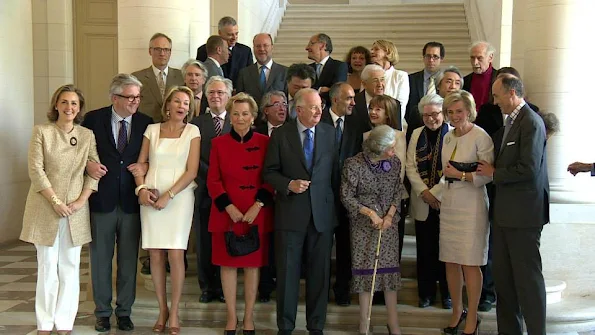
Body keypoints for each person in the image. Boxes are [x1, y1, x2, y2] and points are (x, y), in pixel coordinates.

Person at [20, 84, 99, 335]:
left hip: (75, 210)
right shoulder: (42, 132)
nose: (69, 107)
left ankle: (65, 323)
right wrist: (56, 202)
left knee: (70, 267)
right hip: (46, 208)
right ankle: (44, 324)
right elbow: (36, 170)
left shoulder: (86, 135)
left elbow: (95, 172)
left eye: (74, 103)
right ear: (56, 105)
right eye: (64, 102)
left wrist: (80, 201)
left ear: (80, 108)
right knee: (47, 267)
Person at [477, 74, 549, 335]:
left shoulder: (531, 121)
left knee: (528, 282)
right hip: (504, 214)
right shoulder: (510, 121)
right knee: (504, 284)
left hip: (524, 216)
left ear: (512, 93)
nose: (494, 101)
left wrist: (494, 173)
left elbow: (528, 169)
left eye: (497, 96)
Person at [263, 88, 338, 335]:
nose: (319, 111)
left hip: (321, 216)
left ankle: (316, 326)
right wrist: (288, 185)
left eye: (320, 107)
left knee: (320, 275)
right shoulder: (281, 135)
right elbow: (269, 172)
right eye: (313, 107)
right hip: (290, 215)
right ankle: (285, 326)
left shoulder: (329, 133)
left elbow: (334, 175)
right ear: (299, 110)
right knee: (287, 275)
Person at [82, 74, 153, 332]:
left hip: (132, 203)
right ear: (115, 98)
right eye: (130, 97)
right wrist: (87, 165)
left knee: (128, 261)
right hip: (102, 200)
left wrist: (144, 165)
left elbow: (152, 157)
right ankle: (102, 312)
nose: (136, 101)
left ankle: (124, 311)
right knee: (100, 260)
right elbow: (78, 152)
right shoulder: (92, 119)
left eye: (138, 97)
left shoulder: (146, 123)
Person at [134, 86, 200, 335]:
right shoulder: (151, 129)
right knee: (155, 255)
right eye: (177, 101)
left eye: (186, 102)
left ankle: (174, 313)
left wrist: (169, 195)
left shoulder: (193, 131)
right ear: (168, 104)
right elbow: (142, 164)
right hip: (151, 195)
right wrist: (141, 189)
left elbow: (192, 171)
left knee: (175, 253)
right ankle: (162, 310)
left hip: (179, 197)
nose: (182, 106)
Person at [207, 93, 274, 334]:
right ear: (229, 116)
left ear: (253, 116)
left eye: (245, 113)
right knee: (227, 266)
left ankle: (248, 318)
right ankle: (231, 318)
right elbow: (213, 181)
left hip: (256, 213)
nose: (240, 118)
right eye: (235, 113)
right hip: (226, 213)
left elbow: (270, 178)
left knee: (252, 267)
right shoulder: (218, 143)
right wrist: (230, 207)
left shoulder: (266, 142)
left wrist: (258, 205)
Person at [341, 124, 405, 335]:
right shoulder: (354, 164)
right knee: (366, 274)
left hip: (388, 225)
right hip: (363, 226)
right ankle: (364, 324)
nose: (393, 152)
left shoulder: (394, 163)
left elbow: (397, 190)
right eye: (390, 148)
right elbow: (347, 196)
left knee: (389, 274)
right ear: (377, 148)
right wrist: (370, 214)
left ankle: (393, 323)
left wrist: (389, 216)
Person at [440, 90, 494, 335]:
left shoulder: (480, 136)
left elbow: (487, 175)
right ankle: (456, 312)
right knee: (451, 261)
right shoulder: (448, 137)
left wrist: (461, 175)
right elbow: (444, 171)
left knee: (470, 263)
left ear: (469, 110)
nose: (454, 116)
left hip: (472, 205)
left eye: (459, 111)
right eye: (450, 112)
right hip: (451, 203)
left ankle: (472, 317)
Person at [405, 94, 451, 309]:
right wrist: (424, 192)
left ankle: (448, 294)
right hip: (423, 202)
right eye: (427, 115)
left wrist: (436, 193)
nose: (431, 119)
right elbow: (410, 166)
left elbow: (453, 166)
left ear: (443, 113)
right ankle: (426, 294)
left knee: (447, 251)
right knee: (424, 251)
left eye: (435, 114)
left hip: (446, 202)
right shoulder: (416, 134)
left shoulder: (452, 134)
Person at [190, 76, 233, 303]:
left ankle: (225, 288)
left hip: (231, 193)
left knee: (226, 239)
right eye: (212, 93)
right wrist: (213, 176)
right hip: (204, 191)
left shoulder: (237, 121)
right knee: (204, 241)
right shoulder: (196, 123)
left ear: (228, 96)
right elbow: (193, 159)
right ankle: (207, 287)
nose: (216, 97)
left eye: (220, 93)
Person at [321, 82, 362, 306]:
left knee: (346, 248)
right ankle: (321, 289)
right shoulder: (319, 122)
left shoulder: (356, 125)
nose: (353, 103)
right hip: (323, 197)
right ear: (335, 100)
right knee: (322, 247)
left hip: (348, 198)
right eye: (349, 98)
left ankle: (343, 289)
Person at [363, 95, 407, 265]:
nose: (373, 112)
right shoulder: (366, 135)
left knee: (391, 246)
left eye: (378, 109)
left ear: (388, 113)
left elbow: (400, 169)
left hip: (393, 200)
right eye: (371, 108)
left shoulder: (399, 136)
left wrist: (389, 197)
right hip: (370, 201)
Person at [254, 91, 288, 302]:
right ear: (266, 110)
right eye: (276, 104)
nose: (282, 107)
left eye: (284, 103)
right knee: (264, 243)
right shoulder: (256, 133)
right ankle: (264, 286)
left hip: (286, 197)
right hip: (260, 198)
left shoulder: (294, 132)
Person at [132, 33, 184, 122]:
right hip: (146, 128)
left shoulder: (181, 76)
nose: (162, 53)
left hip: (174, 128)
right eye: (157, 49)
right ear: (150, 51)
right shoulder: (136, 78)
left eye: (166, 49)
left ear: (170, 52)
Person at [236, 33, 288, 115]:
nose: (262, 49)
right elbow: (240, 101)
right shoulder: (244, 73)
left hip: (277, 123)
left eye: (265, 45)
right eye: (258, 46)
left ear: (272, 47)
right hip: (252, 123)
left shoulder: (285, 72)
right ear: (253, 48)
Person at [196, 16, 253, 87]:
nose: (234, 38)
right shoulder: (203, 50)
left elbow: (249, 78)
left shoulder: (245, 52)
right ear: (220, 32)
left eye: (236, 34)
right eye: (230, 34)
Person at [406, 42, 445, 142]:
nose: (431, 60)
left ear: (442, 59)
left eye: (435, 57)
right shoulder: (410, 80)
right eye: (428, 56)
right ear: (423, 57)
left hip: (442, 130)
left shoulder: (447, 81)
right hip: (416, 130)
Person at [370, 39, 409, 125]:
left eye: (376, 49)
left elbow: (400, 106)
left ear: (388, 52)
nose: (371, 51)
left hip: (393, 125)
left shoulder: (400, 76)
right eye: (371, 49)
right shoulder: (368, 74)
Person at [354, 64, 402, 133]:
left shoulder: (394, 104)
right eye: (375, 80)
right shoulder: (353, 102)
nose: (380, 84)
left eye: (382, 80)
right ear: (364, 84)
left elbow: (397, 131)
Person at [463, 41, 498, 110]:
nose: (475, 63)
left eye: (479, 58)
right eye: (472, 58)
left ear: (490, 58)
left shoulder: (500, 78)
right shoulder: (465, 81)